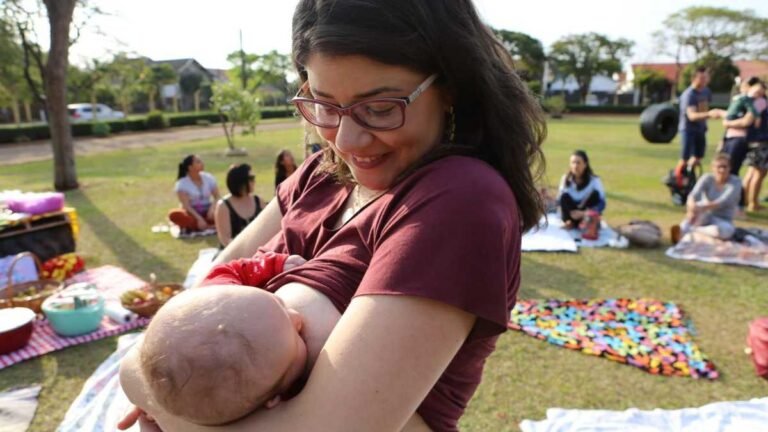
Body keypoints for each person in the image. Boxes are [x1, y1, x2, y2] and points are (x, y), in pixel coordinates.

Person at [119, 1, 545, 431]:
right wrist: (144, 380)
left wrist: (165, 410)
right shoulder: (321, 175)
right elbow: (190, 309)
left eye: (379, 108)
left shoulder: (461, 199)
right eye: (323, 105)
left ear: (452, 83)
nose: (347, 139)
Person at [132, 253, 313, 426]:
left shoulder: (221, 299)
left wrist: (272, 264)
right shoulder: (296, 399)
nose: (297, 316)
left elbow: (230, 271)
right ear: (274, 398)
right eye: (297, 338)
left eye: (278, 302)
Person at [672, 154, 742, 243]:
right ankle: (681, 231)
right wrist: (691, 207)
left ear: (730, 168)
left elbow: (722, 201)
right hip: (704, 215)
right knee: (694, 212)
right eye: (719, 167)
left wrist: (700, 208)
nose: (722, 170)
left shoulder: (735, 182)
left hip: (723, 219)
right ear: (713, 168)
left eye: (725, 167)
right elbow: (693, 195)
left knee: (725, 231)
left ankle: (693, 231)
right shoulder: (707, 178)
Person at [677, 67, 720, 172]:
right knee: (685, 158)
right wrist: (710, 114)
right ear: (694, 79)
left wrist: (705, 121)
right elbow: (692, 116)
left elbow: (703, 108)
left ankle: (690, 177)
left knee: (698, 156)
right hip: (688, 130)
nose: (705, 80)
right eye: (702, 78)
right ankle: (678, 179)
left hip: (700, 129)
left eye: (706, 77)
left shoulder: (706, 91)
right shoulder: (689, 95)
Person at [720, 77, 762, 177]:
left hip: (740, 139)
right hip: (730, 138)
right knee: (724, 168)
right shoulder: (743, 99)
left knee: (732, 170)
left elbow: (746, 121)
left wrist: (727, 123)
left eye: (745, 86)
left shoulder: (759, 102)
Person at [214, 164, 263, 248]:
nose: (254, 181)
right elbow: (225, 239)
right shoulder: (223, 206)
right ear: (240, 181)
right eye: (251, 178)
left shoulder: (258, 201)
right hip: (234, 253)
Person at [168, 155, 221, 232]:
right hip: (192, 213)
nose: (202, 163)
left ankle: (203, 225)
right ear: (190, 167)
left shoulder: (209, 178)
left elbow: (217, 197)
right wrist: (199, 218)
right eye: (198, 162)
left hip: (208, 211)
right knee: (174, 215)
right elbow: (186, 206)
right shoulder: (182, 184)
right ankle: (207, 225)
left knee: (224, 211)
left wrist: (212, 209)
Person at [557, 150, 606, 229]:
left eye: (578, 163)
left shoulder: (594, 180)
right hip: (571, 214)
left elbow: (602, 203)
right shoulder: (565, 178)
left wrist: (584, 213)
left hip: (587, 214)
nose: (575, 166)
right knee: (564, 196)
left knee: (595, 195)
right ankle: (569, 222)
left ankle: (587, 223)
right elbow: (559, 200)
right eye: (573, 162)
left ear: (585, 164)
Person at [742, 83, 768, 212]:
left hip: (757, 140)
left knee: (753, 171)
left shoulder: (758, 102)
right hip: (761, 141)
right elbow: (752, 119)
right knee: (759, 172)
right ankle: (752, 203)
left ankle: (746, 201)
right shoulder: (761, 102)